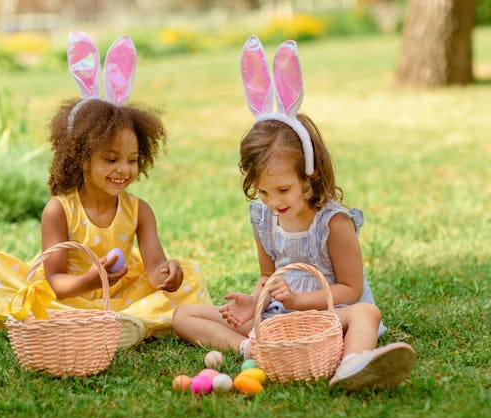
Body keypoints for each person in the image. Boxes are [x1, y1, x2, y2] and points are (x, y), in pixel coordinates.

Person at [173, 36, 415, 392]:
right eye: (264, 192)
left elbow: (351, 288)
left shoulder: (333, 222)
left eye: (283, 190)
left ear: (309, 175)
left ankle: (351, 365)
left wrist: (300, 302)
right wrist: (257, 300)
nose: (273, 201)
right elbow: (267, 275)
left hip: (330, 314)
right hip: (280, 318)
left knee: (367, 314)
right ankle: (254, 348)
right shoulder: (263, 217)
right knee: (184, 315)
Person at [0, 31, 211, 348]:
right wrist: (89, 281)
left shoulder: (139, 210)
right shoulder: (60, 210)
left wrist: (169, 274)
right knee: (2, 277)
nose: (123, 169)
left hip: (119, 295)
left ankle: (123, 324)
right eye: (110, 159)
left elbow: (154, 269)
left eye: (132, 160)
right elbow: (54, 282)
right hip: (70, 296)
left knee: (193, 277)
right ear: (81, 158)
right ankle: (116, 324)